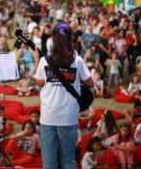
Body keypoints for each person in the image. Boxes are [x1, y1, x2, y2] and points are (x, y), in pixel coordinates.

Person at [33, 22, 94, 169]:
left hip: (48, 116)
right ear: (71, 39)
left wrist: (36, 58)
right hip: (69, 116)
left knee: (49, 162)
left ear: (52, 38)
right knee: (68, 160)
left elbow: (40, 82)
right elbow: (91, 83)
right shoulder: (77, 61)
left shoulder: (43, 61)